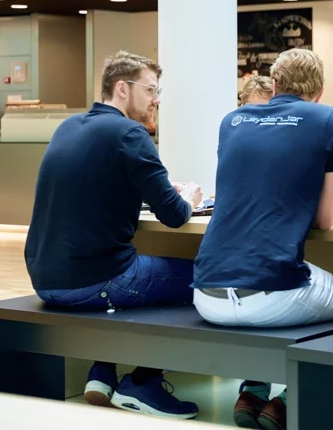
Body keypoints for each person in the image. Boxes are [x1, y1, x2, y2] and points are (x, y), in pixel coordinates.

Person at [24, 51, 199, 419]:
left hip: (45, 277)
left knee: (147, 277)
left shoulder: (69, 126)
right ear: (123, 89)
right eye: (151, 90)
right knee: (205, 280)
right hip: (95, 280)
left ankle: (102, 374)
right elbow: (175, 215)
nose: (157, 100)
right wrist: (188, 197)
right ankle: (144, 382)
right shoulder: (129, 133)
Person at [194, 48, 333, 430]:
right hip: (268, 295)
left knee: (287, 285)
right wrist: (330, 195)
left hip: (206, 293)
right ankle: (290, 400)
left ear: (275, 84)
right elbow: (325, 220)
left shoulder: (231, 120)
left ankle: (252, 391)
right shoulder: (328, 118)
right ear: (320, 91)